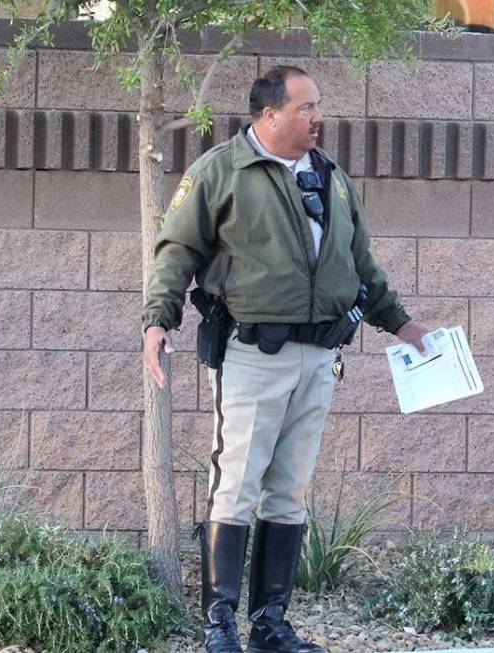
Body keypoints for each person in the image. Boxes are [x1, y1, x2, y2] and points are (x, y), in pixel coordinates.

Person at [142, 65, 428, 653]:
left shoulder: (332, 178)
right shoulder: (221, 170)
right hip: (254, 353)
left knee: (289, 490)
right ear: (268, 115)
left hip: (319, 356)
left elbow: (360, 264)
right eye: (305, 107)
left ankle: (270, 624)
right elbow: (176, 248)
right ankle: (219, 623)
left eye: (317, 106)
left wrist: (400, 322)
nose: (317, 117)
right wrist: (158, 319)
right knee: (237, 482)